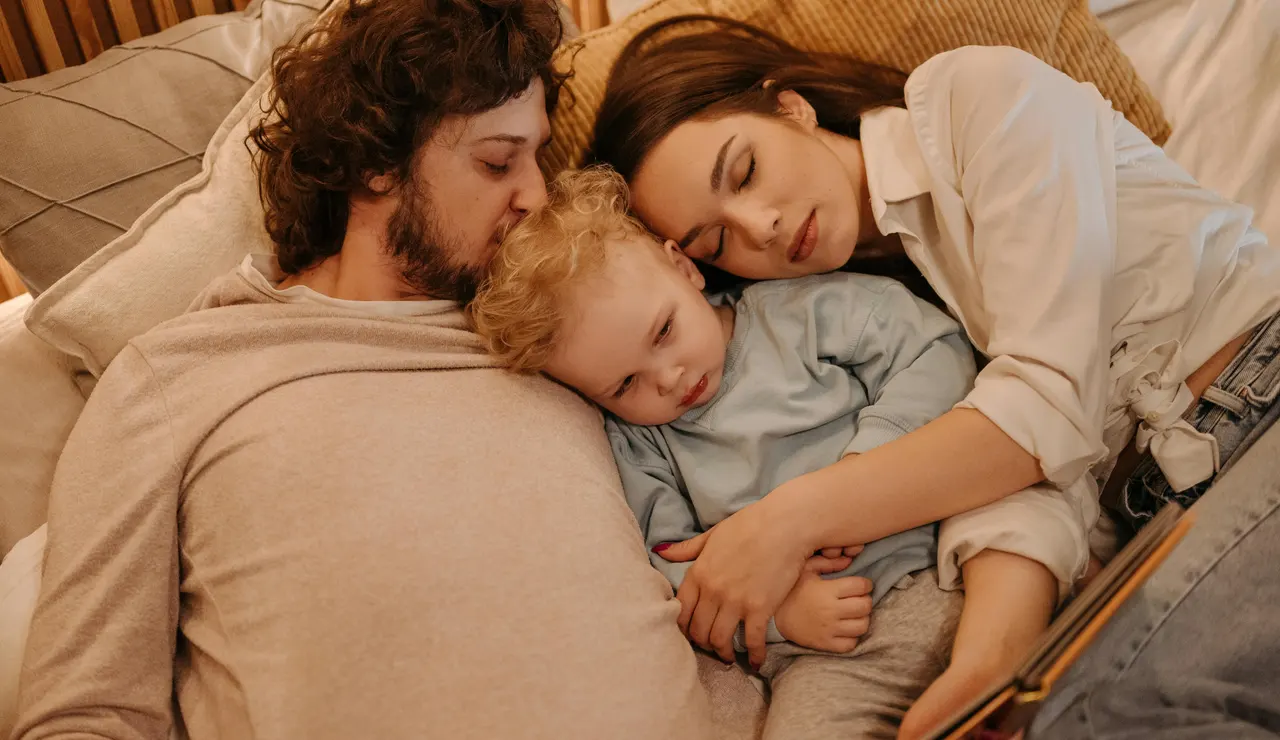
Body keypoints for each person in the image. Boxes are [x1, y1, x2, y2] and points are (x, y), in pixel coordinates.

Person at [11, 2, 719, 738]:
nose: (536, 196)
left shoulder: (566, 337)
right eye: (497, 161)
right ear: (375, 164)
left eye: (537, 158)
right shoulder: (180, 372)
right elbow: (86, 712)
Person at [588, 15, 1280, 738]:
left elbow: (1043, 409)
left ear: (789, 107)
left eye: (746, 171)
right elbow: (1023, 471)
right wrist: (986, 671)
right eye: (718, 239)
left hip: (1256, 392)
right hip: (1153, 508)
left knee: (1108, 710)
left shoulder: (973, 99)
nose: (758, 227)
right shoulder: (869, 311)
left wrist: (782, 523)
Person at [469, 165, 976, 738]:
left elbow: (936, 352)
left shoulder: (805, 313)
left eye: (663, 332)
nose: (667, 377)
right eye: (624, 385)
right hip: (828, 652)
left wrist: (870, 465)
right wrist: (781, 616)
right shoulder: (640, 444)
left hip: (944, 565)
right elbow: (669, 568)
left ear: (683, 268)